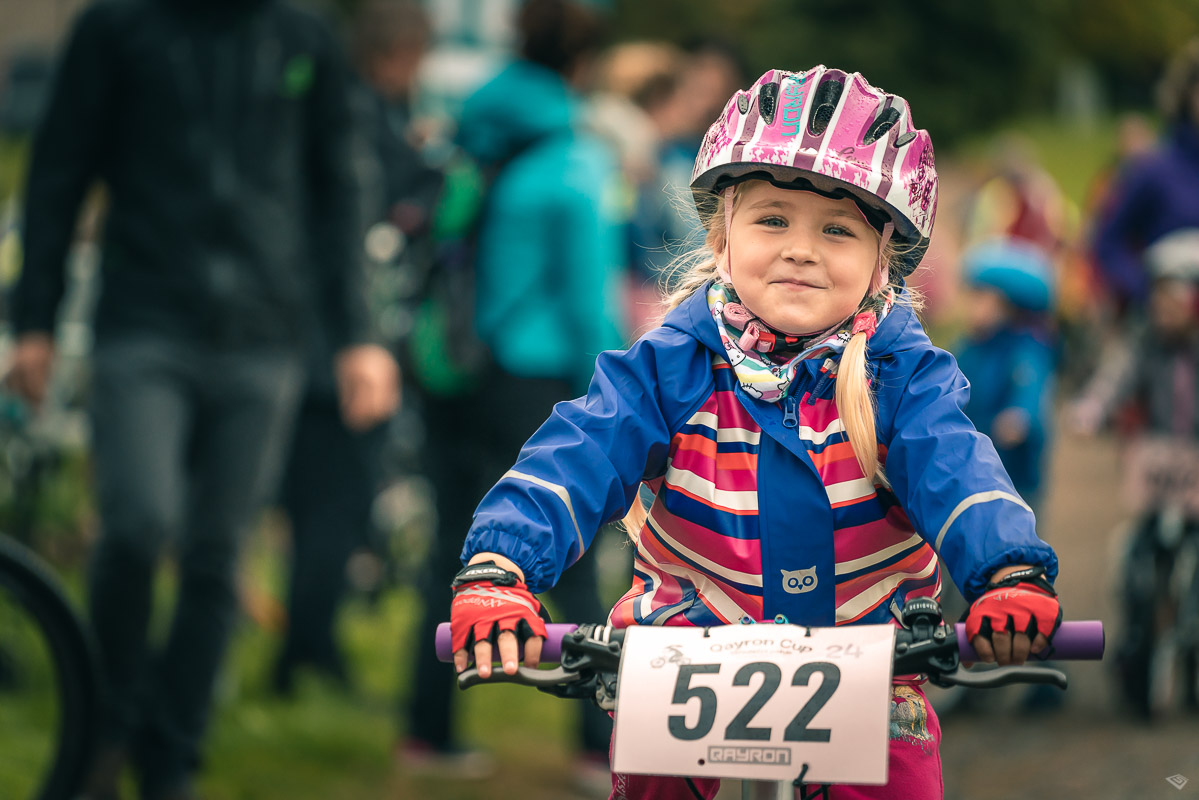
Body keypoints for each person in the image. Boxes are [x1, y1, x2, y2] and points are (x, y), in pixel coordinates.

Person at [448, 66, 1063, 799]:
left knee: (895, 781)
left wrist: (1007, 572)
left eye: (837, 230)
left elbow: (957, 470)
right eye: (773, 220)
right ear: (721, 236)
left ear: (882, 263)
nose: (801, 249)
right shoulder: (669, 365)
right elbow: (578, 454)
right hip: (686, 651)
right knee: (651, 782)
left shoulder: (903, 379)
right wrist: (501, 567)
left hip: (867, 655)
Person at [5, 1, 399, 798]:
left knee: (218, 554)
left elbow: (340, 185)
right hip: (142, 323)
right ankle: (104, 727)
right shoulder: (116, 28)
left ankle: (171, 759)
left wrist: (359, 335)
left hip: (264, 338)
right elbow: (59, 168)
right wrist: (34, 319)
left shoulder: (301, 37)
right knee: (137, 524)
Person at [399, 0, 625, 785]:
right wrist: (613, 402)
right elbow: (589, 302)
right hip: (534, 379)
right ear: (581, 62)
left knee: (452, 551)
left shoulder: (473, 129)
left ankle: (426, 732)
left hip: (452, 368)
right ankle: (600, 746)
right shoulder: (573, 158)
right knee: (573, 559)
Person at [270, 0, 441, 698]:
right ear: (397, 53)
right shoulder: (363, 124)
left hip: (303, 345)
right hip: (341, 353)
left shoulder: (324, 116)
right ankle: (306, 654)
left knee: (313, 512)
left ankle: (305, 649)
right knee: (333, 511)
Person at [1092, 38, 1199, 319]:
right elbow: (1106, 242)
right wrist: (1148, 291)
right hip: (1171, 329)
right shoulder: (1153, 169)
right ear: (1188, 94)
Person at [954, 237, 1057, 516]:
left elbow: (1030, 386)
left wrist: (1020, 415)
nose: (973, 306)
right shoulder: (970, 346)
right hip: (975, 463)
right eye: (972, 297)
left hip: (1013, 470)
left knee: (1016, 528)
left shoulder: (1025, 347)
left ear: (1008, 307)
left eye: (983, 299)